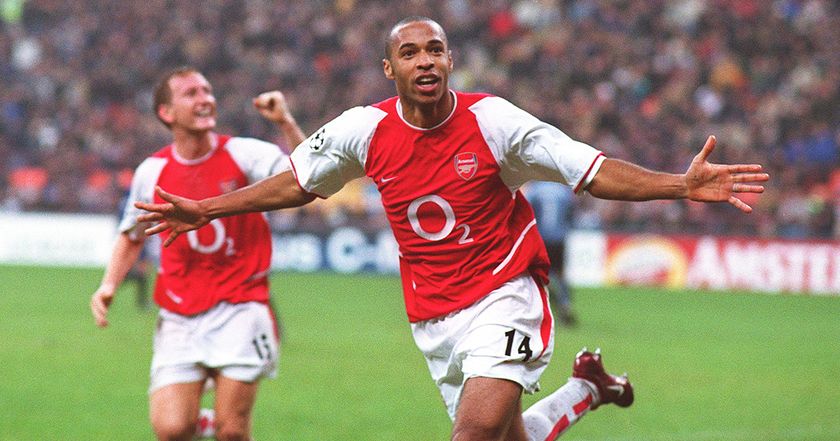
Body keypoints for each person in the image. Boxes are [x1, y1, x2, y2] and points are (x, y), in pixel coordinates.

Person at [136, 18, 769, 441]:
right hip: (433, 315)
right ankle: (585, 390)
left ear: (450, 60)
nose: (424, 60)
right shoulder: (364, 129)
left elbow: (591, 171)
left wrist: (680, 185)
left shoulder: (494, 122)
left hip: (506, 293)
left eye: (435, 49)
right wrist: (209, 209)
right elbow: (299, 182)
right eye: (408, 52)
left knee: (470, 437)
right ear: (391, 69)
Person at [90, 66, 306, 441]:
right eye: (191, 93)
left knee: (233, 432)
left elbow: (307, 177)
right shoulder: (152, 171)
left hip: (242, 306)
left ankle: (223, 424)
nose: (205, 98)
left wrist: (285, 121)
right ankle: (201, 422)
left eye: (207, 90)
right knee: (172, 429)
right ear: (167, 113)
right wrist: (108, 284)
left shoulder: (244, 154)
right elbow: (131, 234)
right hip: (179, 314)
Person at [523, 181, 576, 326]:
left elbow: (526, 211)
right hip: (559, 238)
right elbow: (570, 213)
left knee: (537, 273)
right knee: (560, 273)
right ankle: (566, 304)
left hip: (540, 238)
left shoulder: (534, 190)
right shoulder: (563, 191)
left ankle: (539, 307)